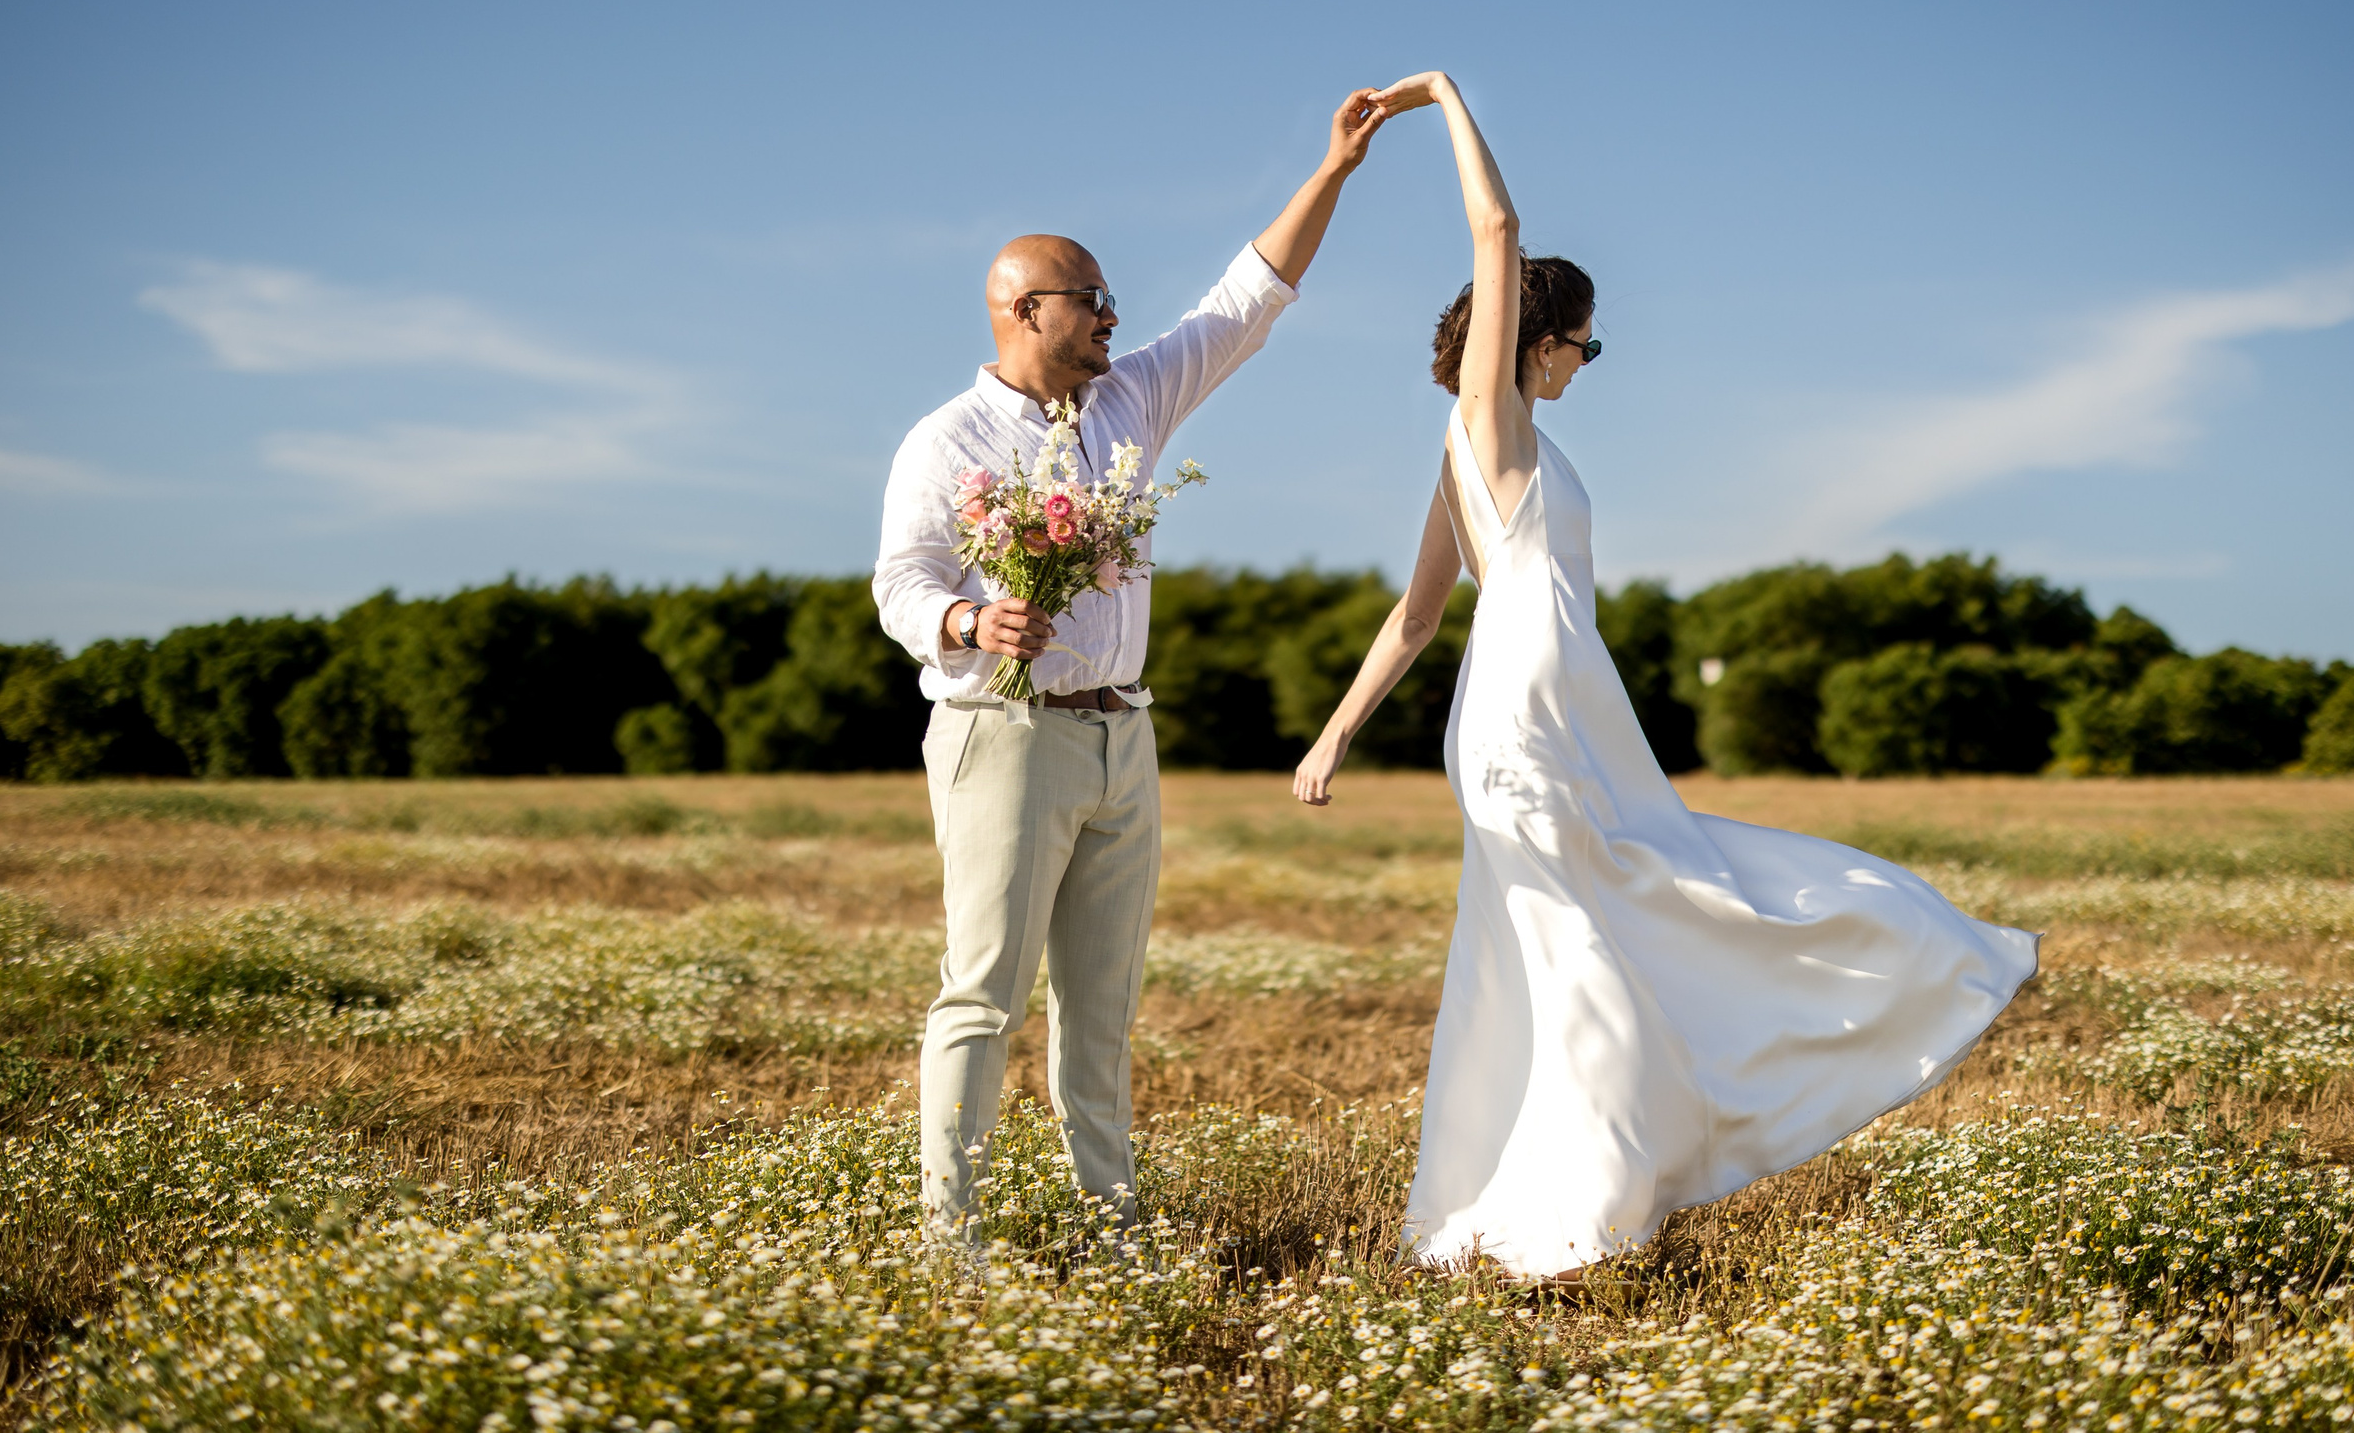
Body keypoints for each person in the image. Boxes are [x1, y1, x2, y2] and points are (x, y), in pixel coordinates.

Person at [1291, 72, 2039, 1280]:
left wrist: (1332, 738)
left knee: (1598, 929)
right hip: (1525, 722)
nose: (1591, 360)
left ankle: (1532, 1201)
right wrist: (1444, 96)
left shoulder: (1490, 450)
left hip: (1557, 713)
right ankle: (1579, 1211)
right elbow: (1496, 232)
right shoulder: (1492, 427)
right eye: (1586, 341)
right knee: (1580, 946)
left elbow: (1416, 617)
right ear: (1539, 343)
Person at [874, 88, 1391, 1252]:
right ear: (1023, 309)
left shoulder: (1131, 400)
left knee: (1099, 1015)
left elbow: (1244, 303)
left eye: (1111, 300)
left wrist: (1335, 170)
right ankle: (948, 1243)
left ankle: (1110, 1226)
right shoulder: (945, 439)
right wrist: (969, 623)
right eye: (1092, 299)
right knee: (985, 997)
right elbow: (897, 580)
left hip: (1122, 737)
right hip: (1003, 736)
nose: (1116, 314)